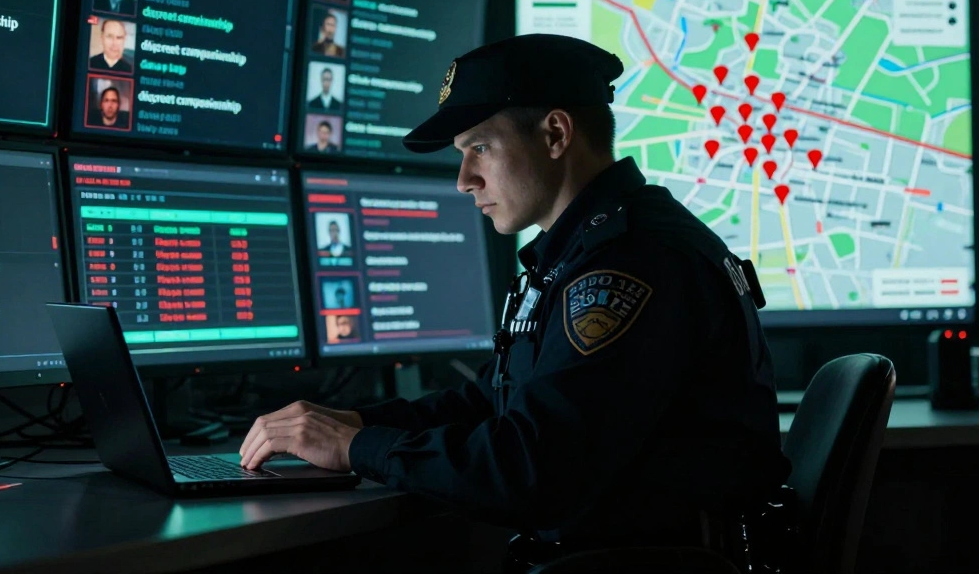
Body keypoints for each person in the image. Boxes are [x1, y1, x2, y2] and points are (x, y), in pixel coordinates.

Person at [239, 34, 790, 570]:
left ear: (555, 134)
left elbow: (529, 473)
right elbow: (492, 404)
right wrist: (349, 422)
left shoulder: (631, 264)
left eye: (479, 148)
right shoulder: (584, 253)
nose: (463, 180)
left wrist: (358, 448)